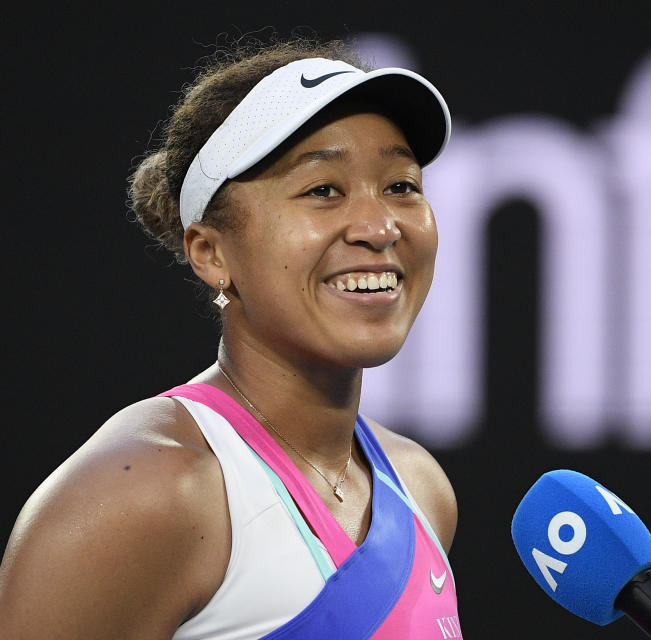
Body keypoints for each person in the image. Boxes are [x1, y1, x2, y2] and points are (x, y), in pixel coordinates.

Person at [0, 38, 461, 639]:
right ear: (212, 253)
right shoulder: (148, 494)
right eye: (323, 189)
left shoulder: (421, 488)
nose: (379, 227)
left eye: (401, 186)